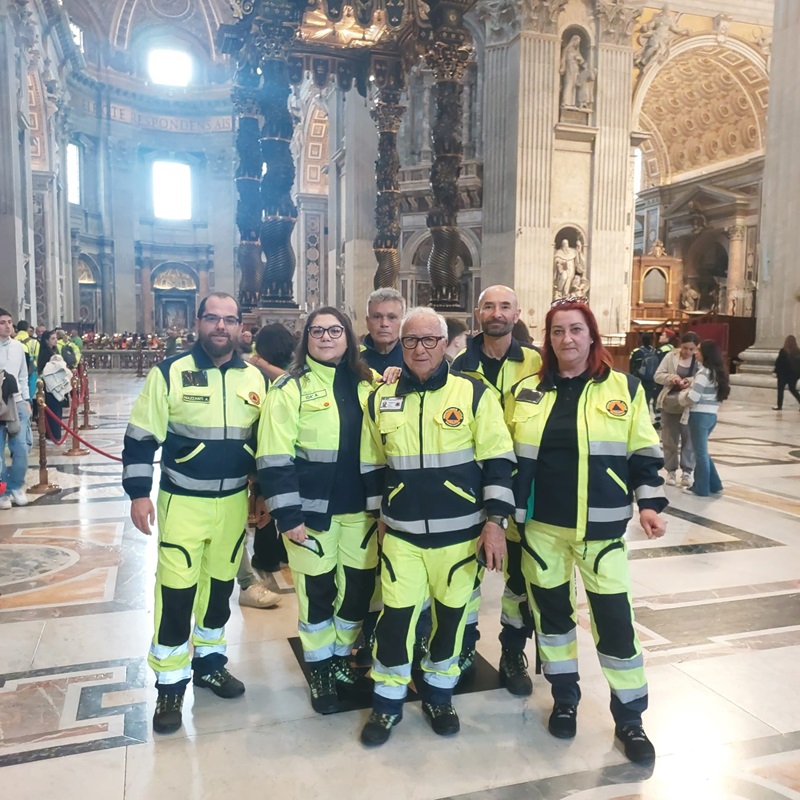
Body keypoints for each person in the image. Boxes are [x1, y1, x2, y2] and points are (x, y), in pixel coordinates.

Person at [508, 299, 667, 764]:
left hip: (601, 528)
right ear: (548, 340)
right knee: (553, 622)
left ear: (592, 336)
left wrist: (650, 504)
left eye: (576, 330)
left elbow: (645, 451)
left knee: (615, 622)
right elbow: (506, 456)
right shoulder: (525, 392)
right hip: (542, 529)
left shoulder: (626, 387)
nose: (567, 340)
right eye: (557, 332)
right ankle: (564, 698)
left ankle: (631, 717)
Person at [359, 306, 515, 746]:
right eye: (411, 340)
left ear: (446, 344)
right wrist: (379, 518)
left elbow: (499, 462)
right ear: (400, 346)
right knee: (396, 621)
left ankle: (439, 694)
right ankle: (386, 704)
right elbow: (372, 464)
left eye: (430, 340)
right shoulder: (381, 397)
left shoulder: (474, 395)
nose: (420, 349)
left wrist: (495, 523)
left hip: (461, 536)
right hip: (402, 535)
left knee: (450, 623)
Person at [122, 292, 268, 735]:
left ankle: (210, 662)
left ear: (241, 326)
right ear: (198, 323)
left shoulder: (254, 380)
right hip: (182, 500)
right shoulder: (169, 373)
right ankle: (170, 683)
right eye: (212, 319)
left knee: (220, 588)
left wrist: (259, 494)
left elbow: (265, 444)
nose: (220, 327)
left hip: (231, 505)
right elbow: (140, 436)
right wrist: (138, 493)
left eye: (229, 319)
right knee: (176, 591)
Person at [256, 307, 378, 715]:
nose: (326, 337)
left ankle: (341, 654)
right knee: (317, 595)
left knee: (358, 592)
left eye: (335, 330)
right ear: (305, 338)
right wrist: (287, 516)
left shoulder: (368, 384)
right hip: (312, 514)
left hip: (361, 512)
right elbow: (274, 456)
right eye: (317, 331)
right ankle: (320, 667)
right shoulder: (290, 388)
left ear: (349, 337)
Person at [450, 285, 542, 696]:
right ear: (477, 312)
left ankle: (510, 650)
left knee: (520, 579)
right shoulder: (456, 365)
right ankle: (465, 647)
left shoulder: (539, 363)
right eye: (489, 305)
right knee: (463, 574)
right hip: (469, 484)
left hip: (523, 486)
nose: (497, 312)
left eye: (505, 306)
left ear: (517, 313)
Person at [248, 323, 296, 574]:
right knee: (287, 501)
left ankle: (266, 557)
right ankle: (286, 550)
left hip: (262, 448)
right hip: (290, 448)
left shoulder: (254, 373)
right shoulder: (299, 373)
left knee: (263, 501)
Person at [681, 340, 730, 496]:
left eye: (699, 350)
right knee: (701, 451)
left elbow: (694, 396)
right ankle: (715, 484)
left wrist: (683, 396)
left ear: (706, 354)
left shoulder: (703, 373)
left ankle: (700, 487)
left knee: (699, 453)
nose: (696, 353)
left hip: (699, 415)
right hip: (711, 415)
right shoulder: (717, 372)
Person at [654, 331, 699, 487]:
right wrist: (671, 378)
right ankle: (671, 470)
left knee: (689, 439)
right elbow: (658, 375)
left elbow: (702, 378)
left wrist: (689, 380)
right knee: (669, 439)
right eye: (685, 348)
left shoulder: (698, 360)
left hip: (688, 404)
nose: (687, 352)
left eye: (691, 349)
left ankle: (687, 471)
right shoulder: (670, 356)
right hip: (669, 401)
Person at [0, 309, 31, 509]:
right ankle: (2, 492)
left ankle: (16, 486)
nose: (8, 325)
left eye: (9, 322)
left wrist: (27, 400)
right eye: (3, 322)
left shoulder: (19, 347)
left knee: (21, 448)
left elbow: (23, 376)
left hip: (17, 401)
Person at [360, 288, 405, 372]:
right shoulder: (355, 362)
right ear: (368, 322)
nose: (384, 324)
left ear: (402, 323)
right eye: (377, 317)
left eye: (391, 317)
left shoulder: (413, 360)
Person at [37, 330, 69, 443]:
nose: (56, 340)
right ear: (46, 340)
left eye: (56, 338)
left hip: (56, 384)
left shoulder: (54, 351)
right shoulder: (47, 353)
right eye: (53, 338)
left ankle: (54, 434)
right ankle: (53, 436)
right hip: (51, 386)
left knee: (56, 410)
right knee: (53, 411)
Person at [629, 332, 659, 420]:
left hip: (639, 380)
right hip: (652, 381)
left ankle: (638, 418)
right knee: (648, 400)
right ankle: (647, 418)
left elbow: (631, 367)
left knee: (638, 400)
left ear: (641, 340)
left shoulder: (636, 352)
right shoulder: (655, 352)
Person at [772, 335, 800, 411]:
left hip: (783, 375)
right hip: (793, 375)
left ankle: (779, 406)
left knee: (780, 390)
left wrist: (775, 371)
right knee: (793, 389)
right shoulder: (797, 351)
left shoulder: (783, 351)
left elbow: (778, 363)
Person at [559, 35, 585, 107]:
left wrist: (579, 59)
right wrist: (562, 67)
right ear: (573, 41)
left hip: (575, 69)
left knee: (574, 85)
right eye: (576, 41)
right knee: (568, 83)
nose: (577, 43)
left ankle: (572, 103)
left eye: (578, 42)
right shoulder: (567, 50)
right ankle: (565, 101)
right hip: (569, 68)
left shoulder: (577, 52)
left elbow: (582, 62)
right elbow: (563, 59)